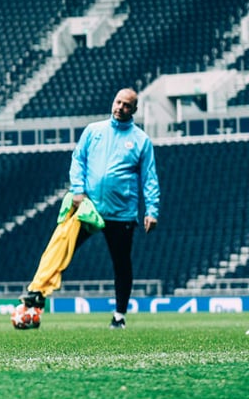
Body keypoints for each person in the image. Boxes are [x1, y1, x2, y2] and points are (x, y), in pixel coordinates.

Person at [20, 88, 160, 329]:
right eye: (118, 102)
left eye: (127, 105)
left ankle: (119, 316)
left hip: (121, 212)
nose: (120, 107)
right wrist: (77, 190)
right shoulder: (93, 131)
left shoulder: (140, 141)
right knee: (61, 245)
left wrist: (152, 210)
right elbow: (78, 160)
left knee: (121, 264)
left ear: (134, 110)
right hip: (88, 207)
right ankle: (37, 294)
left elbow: (149, 178)